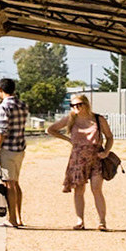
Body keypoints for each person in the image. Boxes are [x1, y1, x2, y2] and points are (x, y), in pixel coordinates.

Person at [47, 93, 112, 231]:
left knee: (96, 189)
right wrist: (68, 139)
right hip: (77, 158)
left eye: (78, 105)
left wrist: (106, 151)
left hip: (96, 157)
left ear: (86, 104)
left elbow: (109, 137)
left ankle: (102, 222)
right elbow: (51, 129)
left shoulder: (98, 119)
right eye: (73, 105)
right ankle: (80, 220)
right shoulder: (71, 118)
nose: (75, 108)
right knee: (79, 190)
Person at [0, 77, 28, 228]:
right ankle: (19, 217)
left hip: (7, 149)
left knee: (9, 184)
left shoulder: (3, 107)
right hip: (20, 149)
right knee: (16, 183)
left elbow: (1, 131)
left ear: (0, 90)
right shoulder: (23, 105)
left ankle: (12, 219)